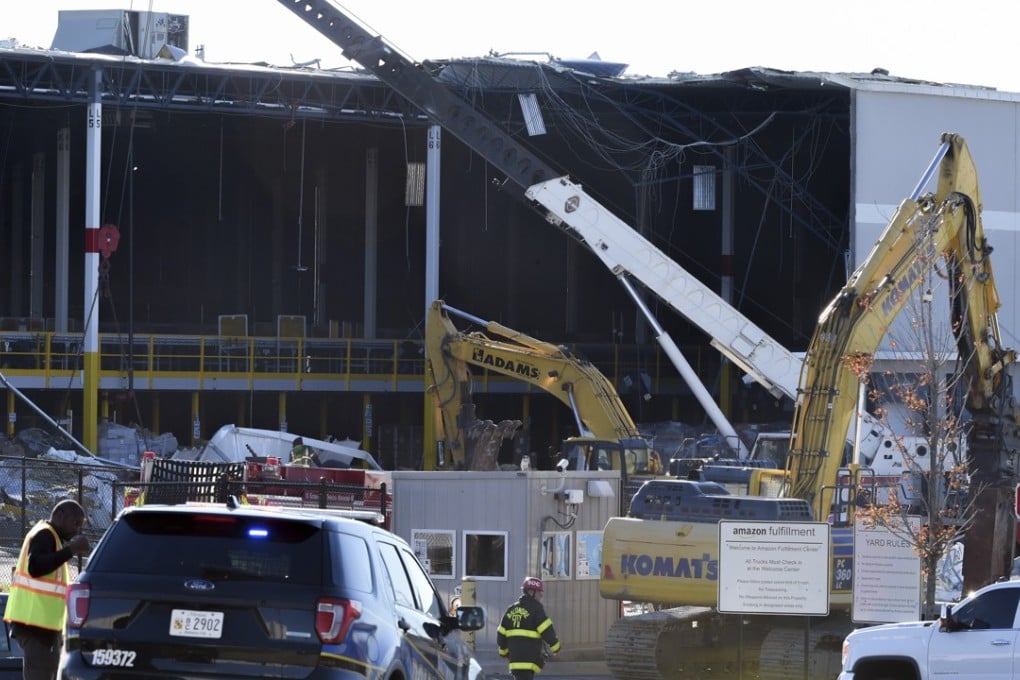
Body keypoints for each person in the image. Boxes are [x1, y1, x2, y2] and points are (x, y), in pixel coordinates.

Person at [5, 499, 90, 680]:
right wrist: (71, 550)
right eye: (75, 523)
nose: (77, 529)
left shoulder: (52, 537)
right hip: (35, 625)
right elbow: (35, 567)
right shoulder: (45, 534)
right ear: (59, 515)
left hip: (41, 625)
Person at [497, 576, 561, 680]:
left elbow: (501, 634)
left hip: (514, 660)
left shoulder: (511, 609)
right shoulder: (536, 608)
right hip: (529, 659)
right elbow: (546, 629)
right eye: (539, 592)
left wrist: (503, 652)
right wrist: (555, 646)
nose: (541, 595)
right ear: (532, 592)